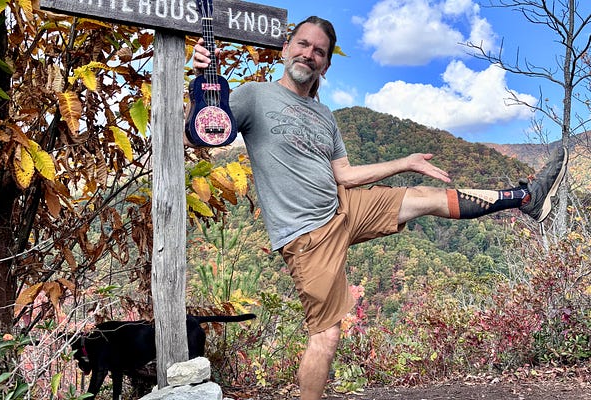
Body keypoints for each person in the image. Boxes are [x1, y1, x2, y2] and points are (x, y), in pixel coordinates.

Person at [188, 16, 568, 400]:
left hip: (343, 205)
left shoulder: (323, 116)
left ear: (326, 65)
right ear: (286, 49)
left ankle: (525, 198)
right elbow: (202, 134)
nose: (309, 54)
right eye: (302, 44)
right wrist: (202, 87)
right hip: (307, 235)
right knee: (326, 334)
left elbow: (345, 175)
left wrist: (404, 163)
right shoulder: (255, 96)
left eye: (319, 50)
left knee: (423, 197)